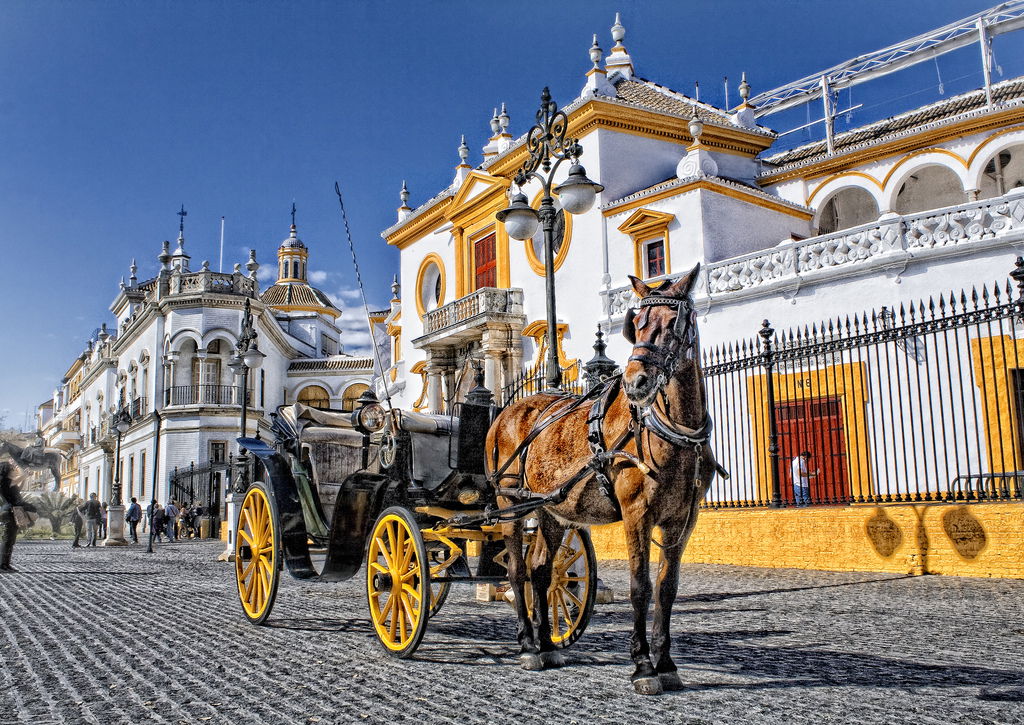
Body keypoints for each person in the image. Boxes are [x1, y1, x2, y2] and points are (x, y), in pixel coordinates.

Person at [0, 462, 37, 572]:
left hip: (12, 511)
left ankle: (6, 564)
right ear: (7, 470)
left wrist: (25, 477)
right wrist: (25, 474)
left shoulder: (10, 482)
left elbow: (18, 487)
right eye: (12, 469)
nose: (14, 470)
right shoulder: (4, 481)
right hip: (9, 511)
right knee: (8, 539)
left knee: (11, 539)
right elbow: (17, 480)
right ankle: (2, 565)